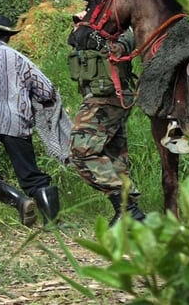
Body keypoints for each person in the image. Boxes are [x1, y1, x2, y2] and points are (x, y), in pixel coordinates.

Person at [0, 15, 62, 227]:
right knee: (31, 175)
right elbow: (47, 91)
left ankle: (20, 201)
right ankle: (53, 223)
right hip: (17, 121)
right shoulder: (20, 59)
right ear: (8, 37)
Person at [67, 15, 146, 226]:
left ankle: (128, 208)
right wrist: (83, 25)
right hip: (104, 97)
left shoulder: (119, 25)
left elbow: (127, 41)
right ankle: (130, 215)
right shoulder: (88, 24)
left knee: (81, 152)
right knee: (114, 157)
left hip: (108, 97)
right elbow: (75, 41)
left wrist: (101, 32)